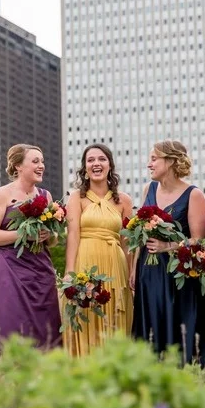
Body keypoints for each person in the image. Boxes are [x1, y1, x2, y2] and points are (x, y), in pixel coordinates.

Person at [130, 141, 205, 364]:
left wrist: (168, 247)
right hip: (148, 269)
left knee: (177, 324)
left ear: (171, 161)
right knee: (150, 321)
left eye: (154, 158)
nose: (149, 164)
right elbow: (140, 231)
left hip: (178, 275)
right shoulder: (149, 190)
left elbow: (198, 241)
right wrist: (135, 267)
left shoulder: (193, 195)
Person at [0, 144, 62, 360]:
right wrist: (22, 235)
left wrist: (49, 235)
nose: (41, 166)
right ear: (18, 166)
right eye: (35, 161)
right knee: (11, 324)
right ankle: (7, 377)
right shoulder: (2, 195)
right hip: (10, 269)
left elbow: (53, 240)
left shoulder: (46, 196)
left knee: (46, 326)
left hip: (41, 271)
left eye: (42, 161)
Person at [63, 143, 134, 356]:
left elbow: (126, 241)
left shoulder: (124, 201)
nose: (96, 163)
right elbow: (73, 235)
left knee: (115, 317)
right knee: (87, 315)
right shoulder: (76, 198)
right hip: (86, 262)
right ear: (84, 168)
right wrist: (69, 271)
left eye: (101, 159)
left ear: (110, 166)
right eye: (90, 160)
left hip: (116, 265)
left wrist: (132, 273)